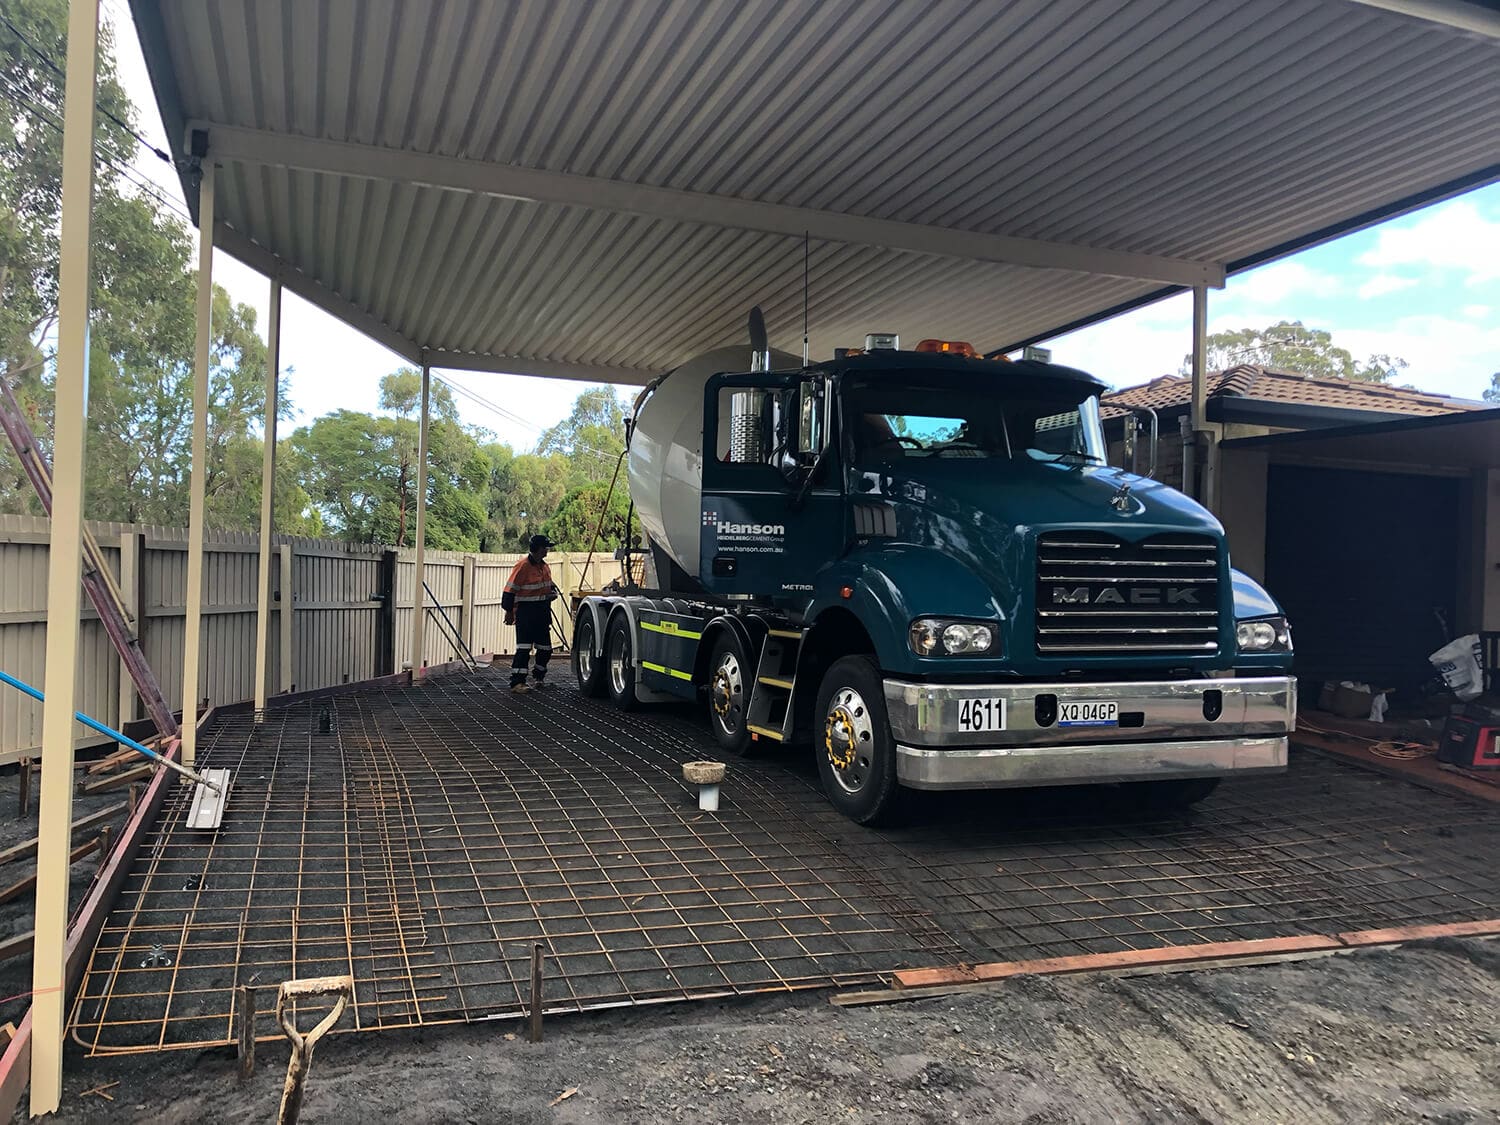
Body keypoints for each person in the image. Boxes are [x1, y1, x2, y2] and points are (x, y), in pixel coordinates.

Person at [502, 534, 559, 693]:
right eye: (546, 547)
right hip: (526, 613)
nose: (548, 550)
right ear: (540, 548)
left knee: (546, 648)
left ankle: (538, 676)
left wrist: (551, 594)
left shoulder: (544, 567)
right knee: (524, 648)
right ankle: (517, 683)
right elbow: (509, 590)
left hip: (542, 612)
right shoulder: (523, 566)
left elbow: (548, 586)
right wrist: (509, 612)